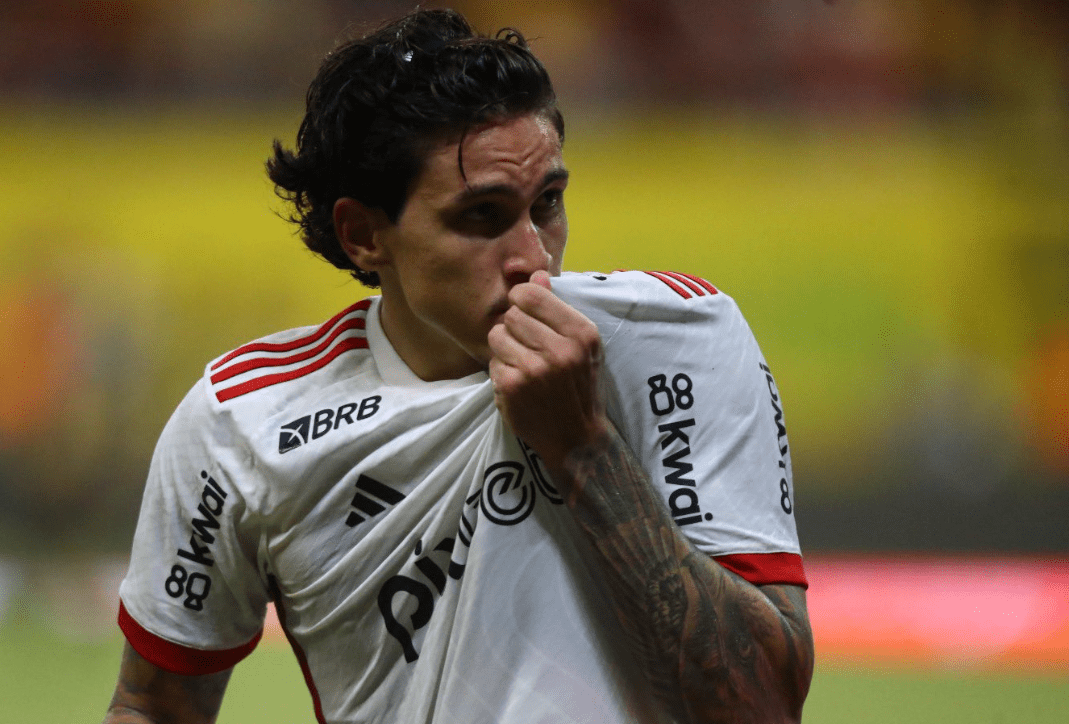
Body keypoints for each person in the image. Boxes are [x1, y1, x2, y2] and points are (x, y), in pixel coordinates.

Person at [103, 8, 813, 724]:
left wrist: (584, 449)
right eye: (482, 216)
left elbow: (764, 705)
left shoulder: (677, 338)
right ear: (362, 235)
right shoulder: (242, 425)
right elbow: (152, 706)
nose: (533, 257)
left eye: (549, 204)